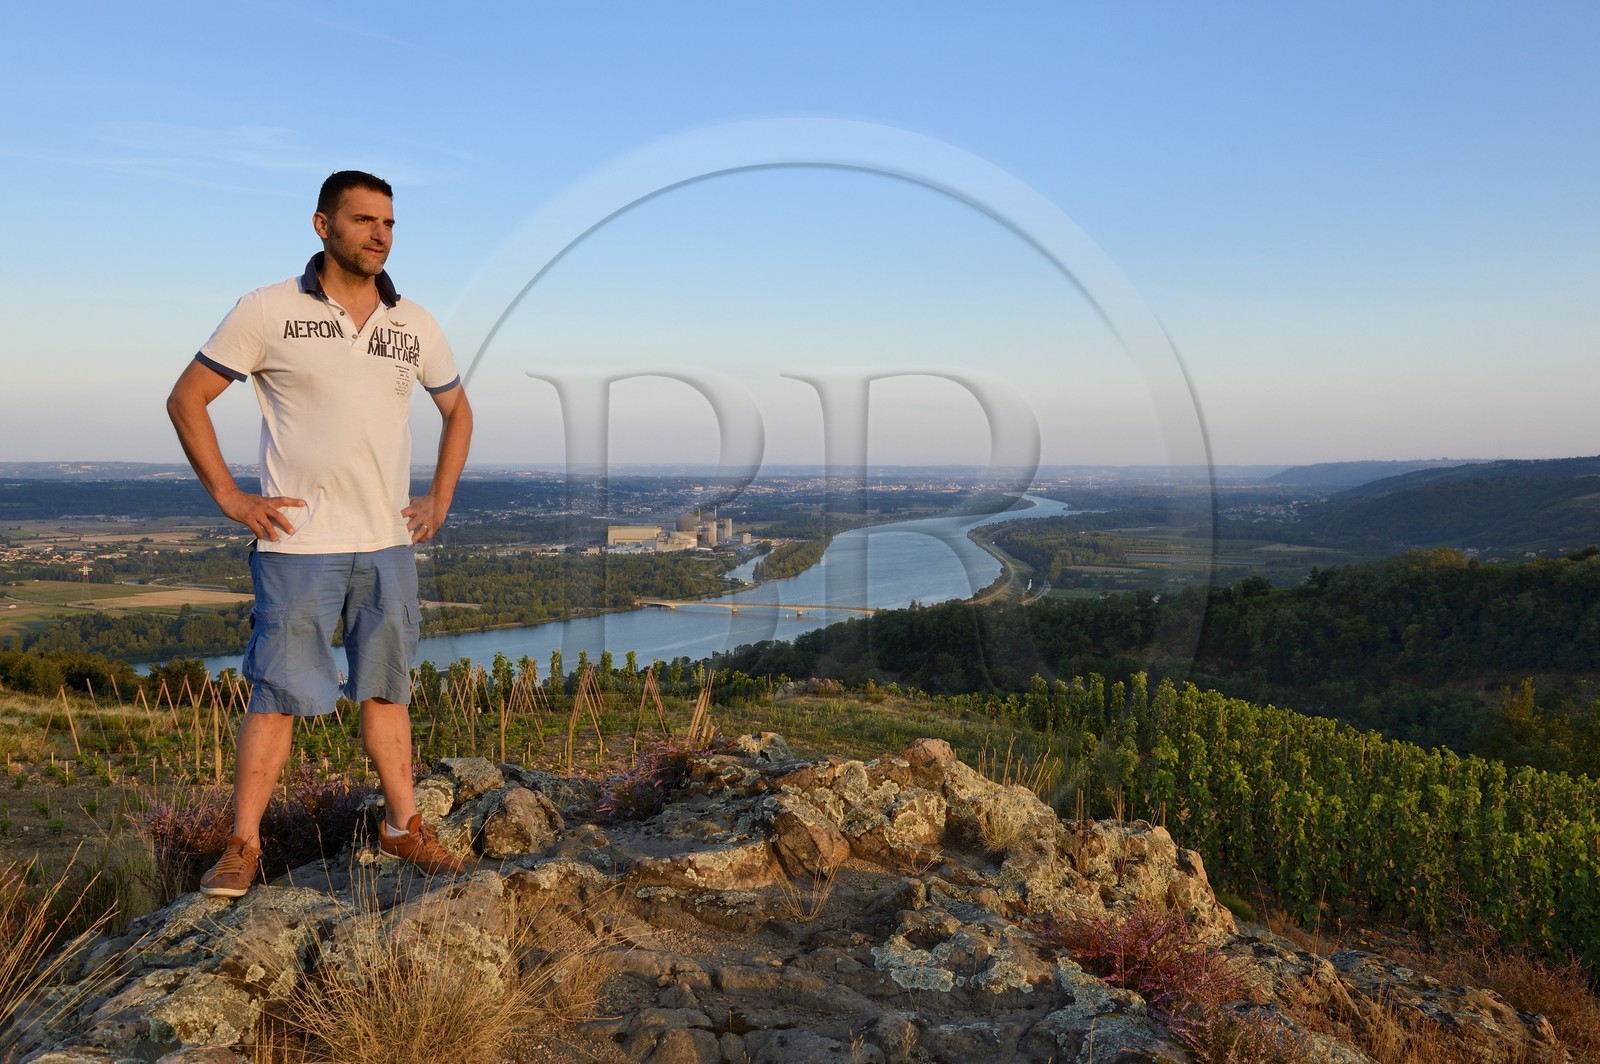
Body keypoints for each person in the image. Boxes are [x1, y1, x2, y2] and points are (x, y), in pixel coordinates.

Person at [167, 170, 474, 897]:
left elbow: (458, 412)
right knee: (276, 695)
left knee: (386, 692)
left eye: (390, 224)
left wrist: (440, 497)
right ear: (322, 225)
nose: (380, 235)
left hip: (387, 543)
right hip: (298, 545)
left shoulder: (415, 323)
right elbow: (187, 398)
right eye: (365, 220)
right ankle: (241, 846)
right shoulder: (268, 309)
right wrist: (232, 498)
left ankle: (402, 828)